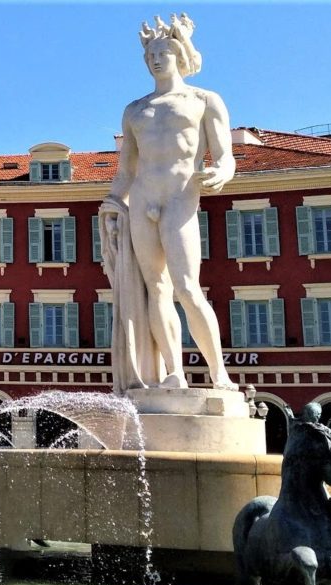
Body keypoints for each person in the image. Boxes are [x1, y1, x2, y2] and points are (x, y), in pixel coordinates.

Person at [99, 13, 236, 394]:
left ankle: (218, 373)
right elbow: (126, 170)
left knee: (188, 287)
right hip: (143, 198)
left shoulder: (203, 100)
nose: (156, 59)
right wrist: (110, 205)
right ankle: (173, 371)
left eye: (163, 52)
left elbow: (225, 155)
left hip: (180, 197)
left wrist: (222, 171)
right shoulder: (135, 110)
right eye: (151, 55)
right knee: (155, 289)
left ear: (179, 56)